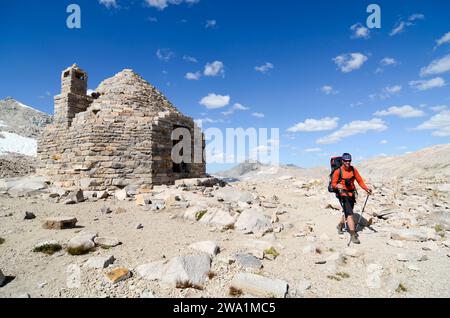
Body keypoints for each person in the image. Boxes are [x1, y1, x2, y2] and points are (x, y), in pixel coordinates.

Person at [331, 153, 372, 244]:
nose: (348, 162)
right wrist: (337, 185)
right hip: (343, 195)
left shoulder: (353, 170)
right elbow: (333, 184)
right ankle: (353, 234)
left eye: (349, 160)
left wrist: (366, 189)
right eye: (345, 161)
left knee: (347, 213)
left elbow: (360, 180)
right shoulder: (338, 171)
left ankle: (340, 225)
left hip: (351, 194)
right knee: (350, 214)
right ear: (342, 161)